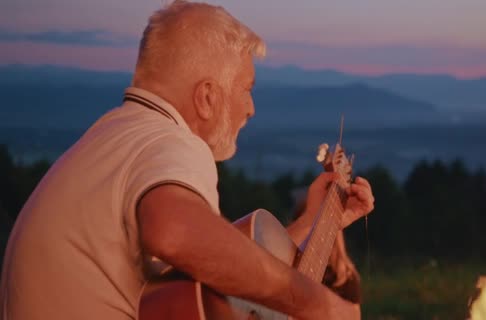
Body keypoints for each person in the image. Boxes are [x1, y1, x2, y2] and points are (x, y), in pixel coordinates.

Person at [0, 1, 375, 320]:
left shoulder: (117, 138)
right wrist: (318, 303)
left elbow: (210, 278)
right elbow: (176, 233)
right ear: (207, 97)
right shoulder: (171, 141)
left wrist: (314, 223)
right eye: (246, 89)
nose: (251, 108)